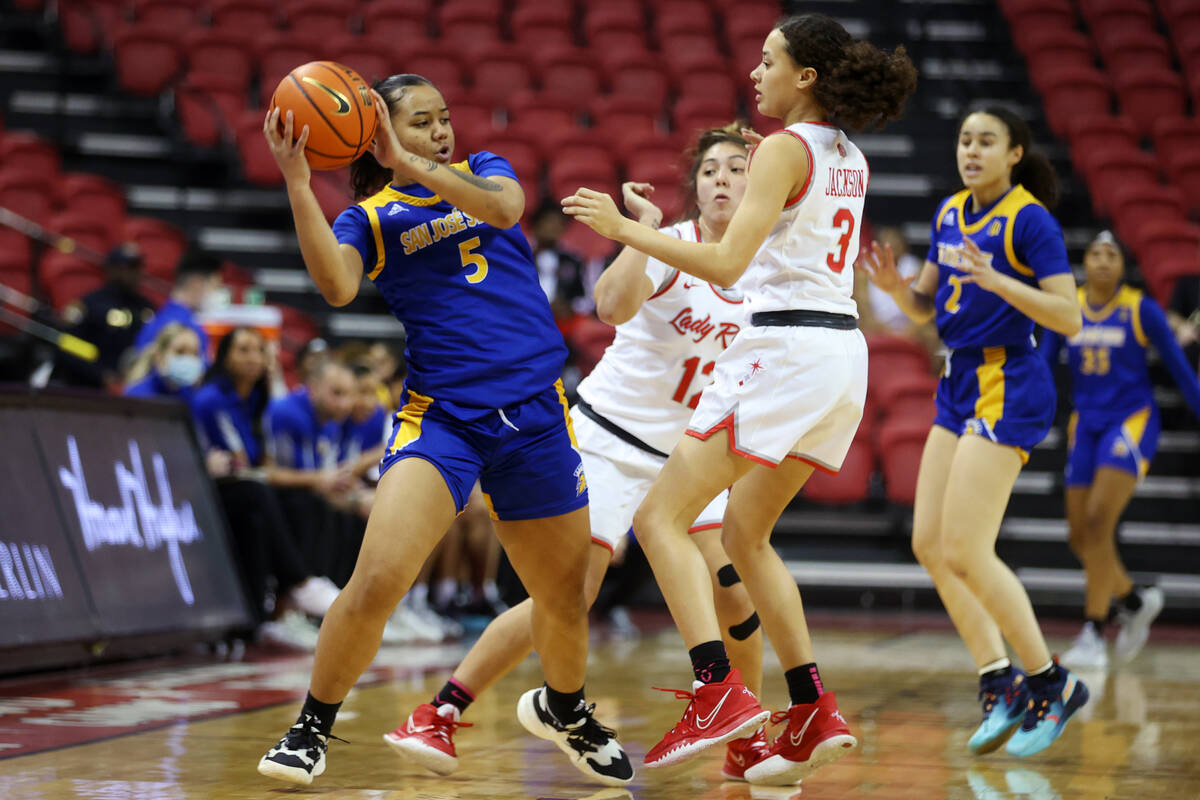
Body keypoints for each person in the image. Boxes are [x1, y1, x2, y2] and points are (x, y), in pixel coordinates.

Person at [564, 14, 917, 786]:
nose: (755, 74)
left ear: (807, 78)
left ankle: (717, 690)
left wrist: (629, 230)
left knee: (661, 518)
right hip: (840, 356)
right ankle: (814, 706)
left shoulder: (787, 148)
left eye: (769, 62)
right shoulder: (846, 154)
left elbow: (725, 264)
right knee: (748, 536)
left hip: (784, 348)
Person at [255, 73, 630, 787]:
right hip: (444, 417)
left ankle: (569, 710)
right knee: (378, 580)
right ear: (380, 133)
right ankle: (311, 726)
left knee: (563, 596)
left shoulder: (484, 171)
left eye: (442, 118)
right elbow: (335, 286)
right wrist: (300, 182)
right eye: (422, 122)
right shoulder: (369, 218)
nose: (441, 131)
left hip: (536, 415)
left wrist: (411, 159)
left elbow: (507, 207)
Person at [385, 123, 769, 781]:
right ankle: (440, 711)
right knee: (569, 594)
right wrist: (630, 232)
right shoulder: (666, 244)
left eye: (738, 168)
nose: (723, 180)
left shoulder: (765, 270)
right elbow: (612, 306)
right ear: (694, 187)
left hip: (688, 458)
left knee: (734, 592)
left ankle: (742, 731)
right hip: (610, 441)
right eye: (711, 171)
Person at [861, 106, 1090, 758]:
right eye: (965, 139)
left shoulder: (1030, 220)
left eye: (987, 141)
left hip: (1010, 382)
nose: (971, 150)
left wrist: (998, 281)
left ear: (1015, 153)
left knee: (965, 546)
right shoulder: (950, 212)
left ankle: (1052, 681)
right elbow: (926, 308)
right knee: (929, 542)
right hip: (958, 382)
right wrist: (894, 292)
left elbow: (1069, 317)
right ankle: (999, 676)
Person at [1041, 231, 1200, 669]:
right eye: (1096, 253)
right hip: (1085, 424)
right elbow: (1043, 366)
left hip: (1131, 422)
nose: (1104, 260)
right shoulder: (1067, 305)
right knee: (1079, 535)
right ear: (1084, 263)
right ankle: (1133, 599)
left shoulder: (1141, 309)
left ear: (1123, 266)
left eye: (1113, 253)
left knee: (1096, 522)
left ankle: (1094, 630)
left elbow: (1181, 371)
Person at [190, 326, 343, 650]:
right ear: (224, 356)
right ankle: (298, 583)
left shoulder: (258, 401)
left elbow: (261, 461)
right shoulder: (211, 399)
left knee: (303, 504)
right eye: (242, 350)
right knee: (261, 496)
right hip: (209, 490)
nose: (252, 358)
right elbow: (243, 463)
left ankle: (274, 617)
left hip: (247, 487)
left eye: (259, 350)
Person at [56, 243, 155, 390]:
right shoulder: (89, 305)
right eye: (129, 267)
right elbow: (69, 345)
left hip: (133, 385)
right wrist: (101, 373)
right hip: (90, 387)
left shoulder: (145, 307)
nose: (135, 274)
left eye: (137, 267)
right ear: (112, 270)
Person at [134, 248, 224, 360]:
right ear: (196, 283)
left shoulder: (156, 320)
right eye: (214, 287)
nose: (215, 293)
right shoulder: (188, 328)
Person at [123, 321, 204, 404]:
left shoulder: (195, 396)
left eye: (195, 353)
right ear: (159, 356)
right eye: (180, 352)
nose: (188, 359)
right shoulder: (136, 395)